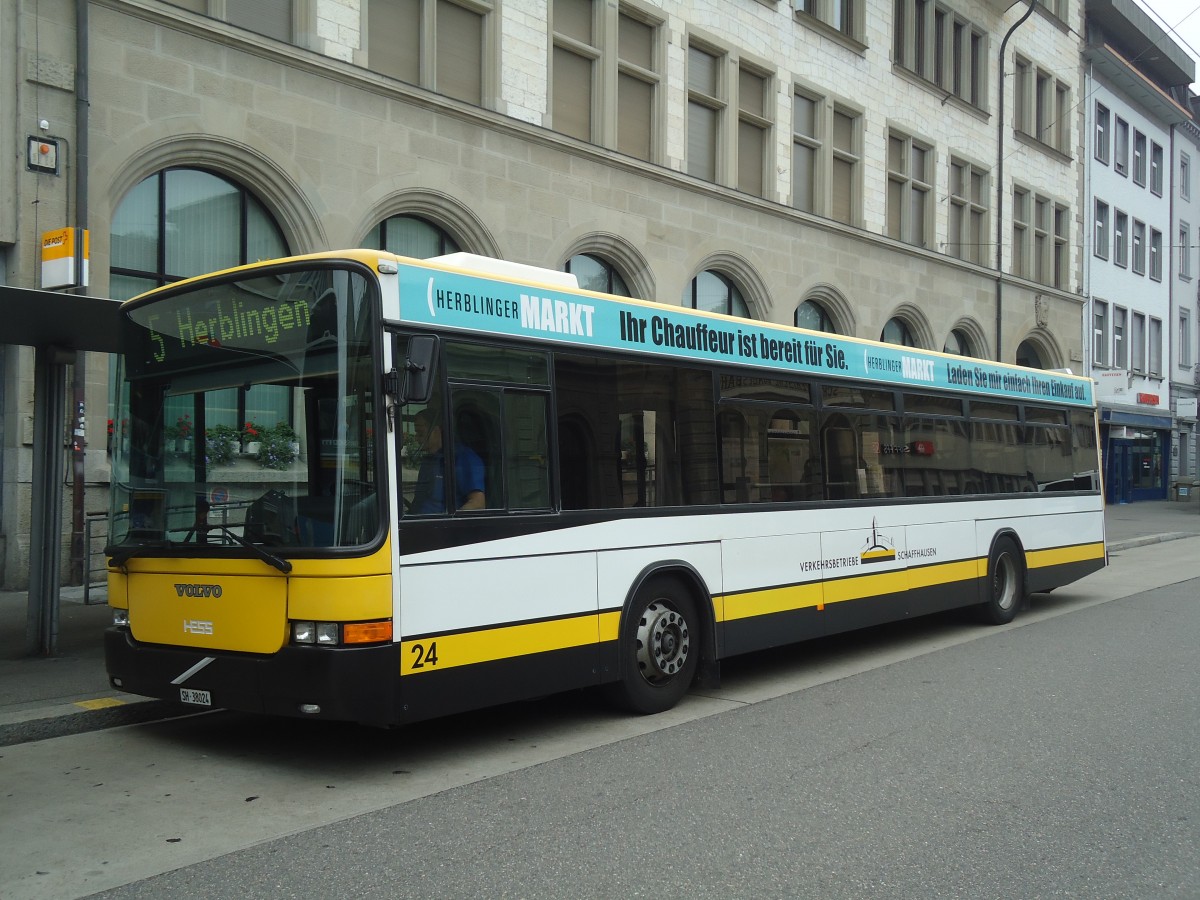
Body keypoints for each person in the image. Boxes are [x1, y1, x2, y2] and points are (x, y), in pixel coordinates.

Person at [410, 409, 486, 513]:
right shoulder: (429, 460)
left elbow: (477, 503)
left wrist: (449, 522)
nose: (416, 438)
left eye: (420, 433)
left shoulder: (463, 458)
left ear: (436, 431)